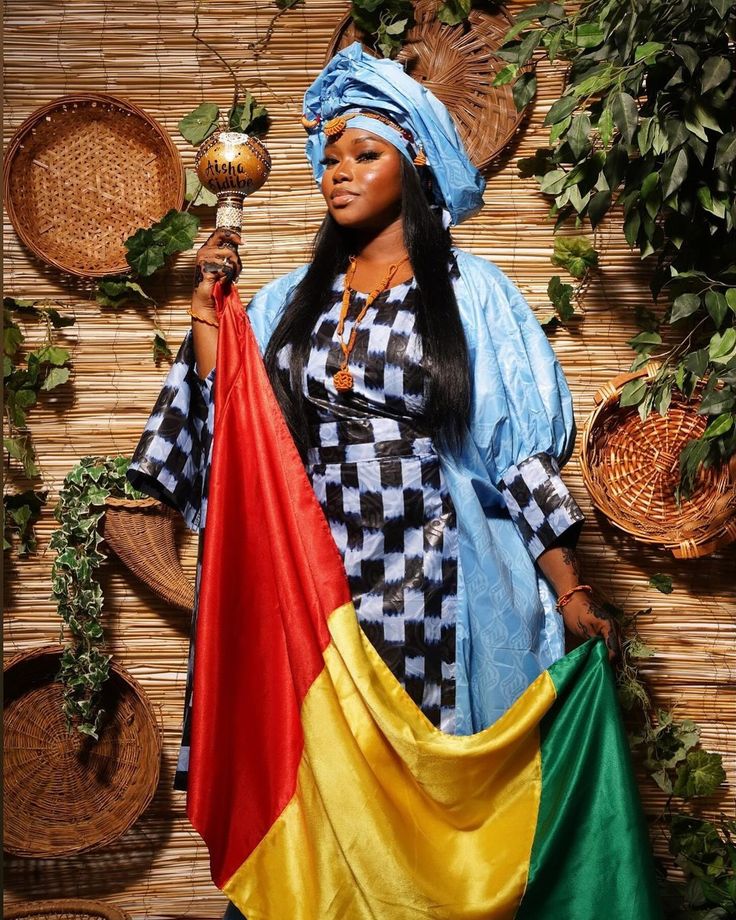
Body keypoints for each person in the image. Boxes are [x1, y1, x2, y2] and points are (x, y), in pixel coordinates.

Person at [128, 41, 619, 912]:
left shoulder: (475, 296)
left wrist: (572, 592)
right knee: (323, 786)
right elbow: (240, 434)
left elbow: (519, 453)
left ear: (415, 160)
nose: (337, 173)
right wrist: (210, 323)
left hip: (440, 574)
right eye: (329, 157)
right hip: (318, 578)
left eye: (365, 154)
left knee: (429, 798)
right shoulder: (286, 300)